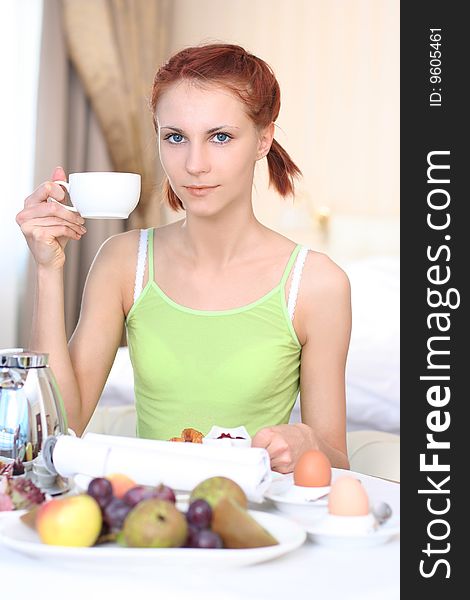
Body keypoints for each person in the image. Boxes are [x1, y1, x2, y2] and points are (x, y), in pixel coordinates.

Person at [16, 43, 351, 472]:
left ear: (263, 139)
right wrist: (48, 270)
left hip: (254, 527)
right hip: (148, 520)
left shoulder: (316, 284)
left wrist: (307, 443)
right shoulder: (123, 261)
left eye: (221, 137)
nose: (194, 164)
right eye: (175, 137)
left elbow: (337, 461)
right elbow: (60, 426)